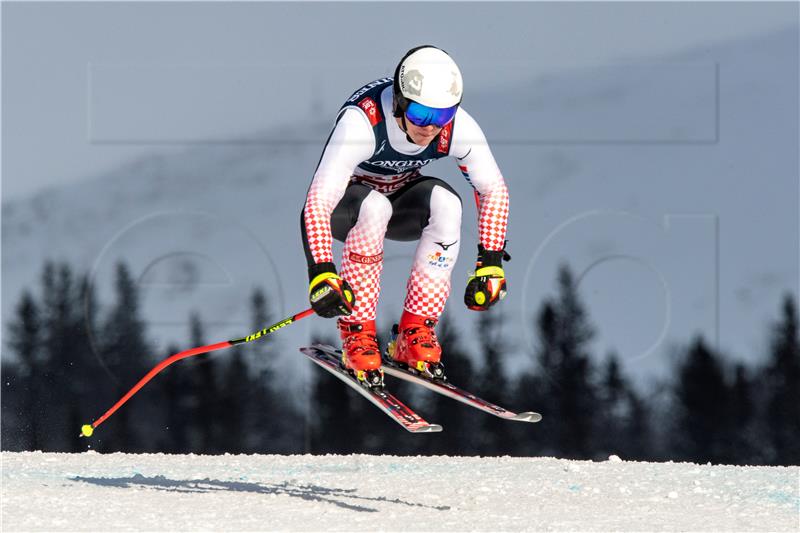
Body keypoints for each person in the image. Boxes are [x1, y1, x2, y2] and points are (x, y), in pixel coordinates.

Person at [301, 45, 509, 385]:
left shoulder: (457, 127)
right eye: (421, 116)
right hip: (349, 208)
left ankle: (415, 334)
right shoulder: (362, 122)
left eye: (441, 117)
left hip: (401, 204)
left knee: (447, 203)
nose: (430, 128)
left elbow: (493, 189)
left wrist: (491, 261)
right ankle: (358, 333)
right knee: (373, 207)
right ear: (399, 102)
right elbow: (318, 202)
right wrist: (322, 272)